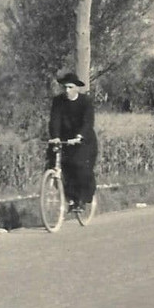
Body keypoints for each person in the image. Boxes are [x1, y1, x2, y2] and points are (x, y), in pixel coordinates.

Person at [48, 72, 99, 214]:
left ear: (77, 88)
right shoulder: (58, 101)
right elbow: (55, 120)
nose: (67, 91)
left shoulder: (85, 102)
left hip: (84, 141)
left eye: (70, 87)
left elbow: (88, 122)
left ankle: (82, 200)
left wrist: (79, 136)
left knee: (80, 167)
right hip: (65, 140)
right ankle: (70, 198)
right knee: (56, 165)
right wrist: (55, 136)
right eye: (65, 87)